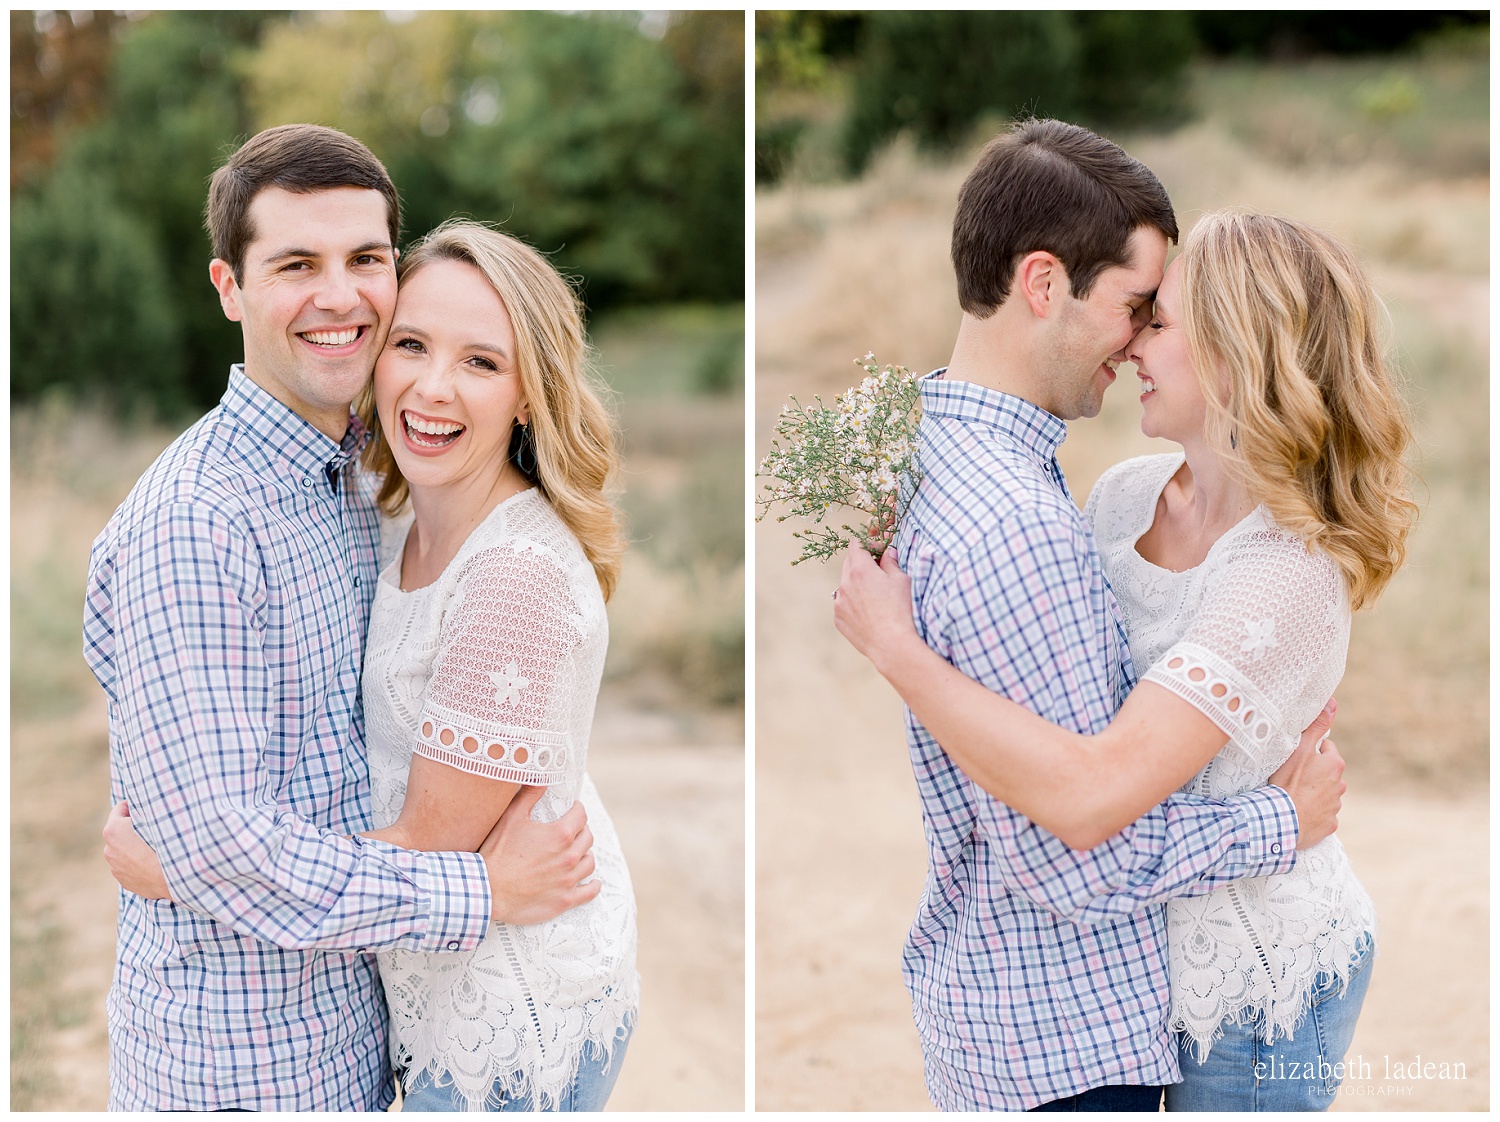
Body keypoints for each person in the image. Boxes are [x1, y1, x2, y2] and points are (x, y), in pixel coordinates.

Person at [819, 119, 1351, 1112]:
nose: (1139, 340)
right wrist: (1279, 822)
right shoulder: (1040, 517)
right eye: (1135, 307)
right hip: (1061, 1029)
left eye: (1161, 317)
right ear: (1042, 283)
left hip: (1196, 989)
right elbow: (1076, 841)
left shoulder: (933, 445)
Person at [87, 125, 599, 1112]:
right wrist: (481, 892)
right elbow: (228, 848)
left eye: (365, 260)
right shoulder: (196, 524)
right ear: (229, 288)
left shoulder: (373, 471)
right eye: (294, 265)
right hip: (240, 1067)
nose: (338, 295)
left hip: (369, 1040)